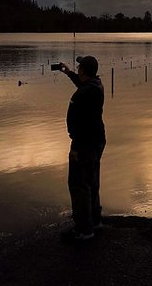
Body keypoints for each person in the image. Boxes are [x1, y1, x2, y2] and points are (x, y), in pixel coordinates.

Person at [56, 55, 106, 242]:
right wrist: (68, 73)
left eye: (79, 68)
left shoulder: (83, 94)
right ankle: (94, 220)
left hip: (84, 143)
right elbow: (83, 85)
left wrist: (76, 147)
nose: (77, 69)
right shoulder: (96, 86)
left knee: (78, 185)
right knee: (91, 181)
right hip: (96, 140)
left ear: (83, 70)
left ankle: (84, 229)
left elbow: (81, 124)